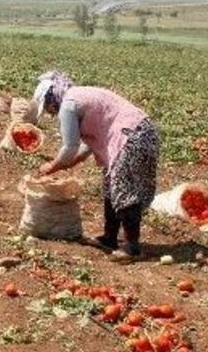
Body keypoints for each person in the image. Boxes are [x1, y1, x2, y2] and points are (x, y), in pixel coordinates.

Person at [32, 70, 160, 262]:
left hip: (132, 136)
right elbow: (85, 147)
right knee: (111, 186)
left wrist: (52, 167)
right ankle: (109, 238)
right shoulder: (79, 95)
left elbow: (69, 147)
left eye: (48, 108)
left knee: (124, 190)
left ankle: (133, 247)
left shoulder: (68, 105)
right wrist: (70, 163)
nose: (51, 113)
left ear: (52, 99)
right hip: (142, 133)